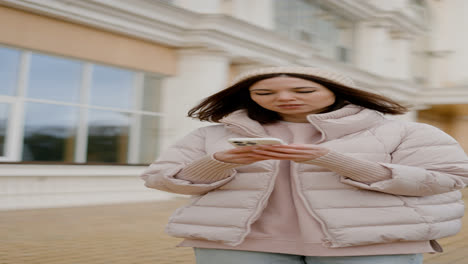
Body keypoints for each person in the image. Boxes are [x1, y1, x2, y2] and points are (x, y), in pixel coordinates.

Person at [141, 66, 468, 264]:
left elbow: (448, 178)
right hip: (239, 245)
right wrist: (216, 162)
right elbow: (160, 178)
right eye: (264, 91)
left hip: (369, 243)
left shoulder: (405, 131)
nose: (283, 97)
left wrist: (332, 160)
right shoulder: (212, 135)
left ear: (336, 91)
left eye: (302, 89)